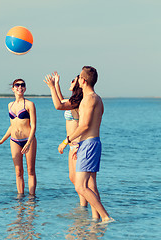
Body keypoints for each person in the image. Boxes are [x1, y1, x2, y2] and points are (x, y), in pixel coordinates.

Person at [47, 66, 112, 222]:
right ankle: (96, 220)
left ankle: (105, 217)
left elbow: (84, 126)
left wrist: (66, 141)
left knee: (80, 186)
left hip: (89, 143)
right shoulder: (97, 98)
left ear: (83, 80)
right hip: (91, 143)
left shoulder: (89, 99)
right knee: (90, 185)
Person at [43, 72, 88, 207]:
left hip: (77, 144)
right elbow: (62, 101)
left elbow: (58, 105)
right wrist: (57, 84)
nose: (71, 82)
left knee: (80, 183)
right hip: (72, 144)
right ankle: (83, 208)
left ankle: (84, 207)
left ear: (78, 85)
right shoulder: (73, 101)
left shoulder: (78, 103)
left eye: (73, 81)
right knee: (73, 179)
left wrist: (51, 87)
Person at [0, 79, 37, 195]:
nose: (20, 87)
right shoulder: (10, 105)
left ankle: (31, 199)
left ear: (25, 89)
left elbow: (34, 126)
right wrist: (2, 140)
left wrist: (29, 143)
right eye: (17, 85)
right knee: (18, 172)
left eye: (22, 85)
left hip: (28, 140)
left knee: (30, 171)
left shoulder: (30, 104)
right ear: (13, 88)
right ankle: (20, 199)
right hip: (14, 141)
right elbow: (12, 126)